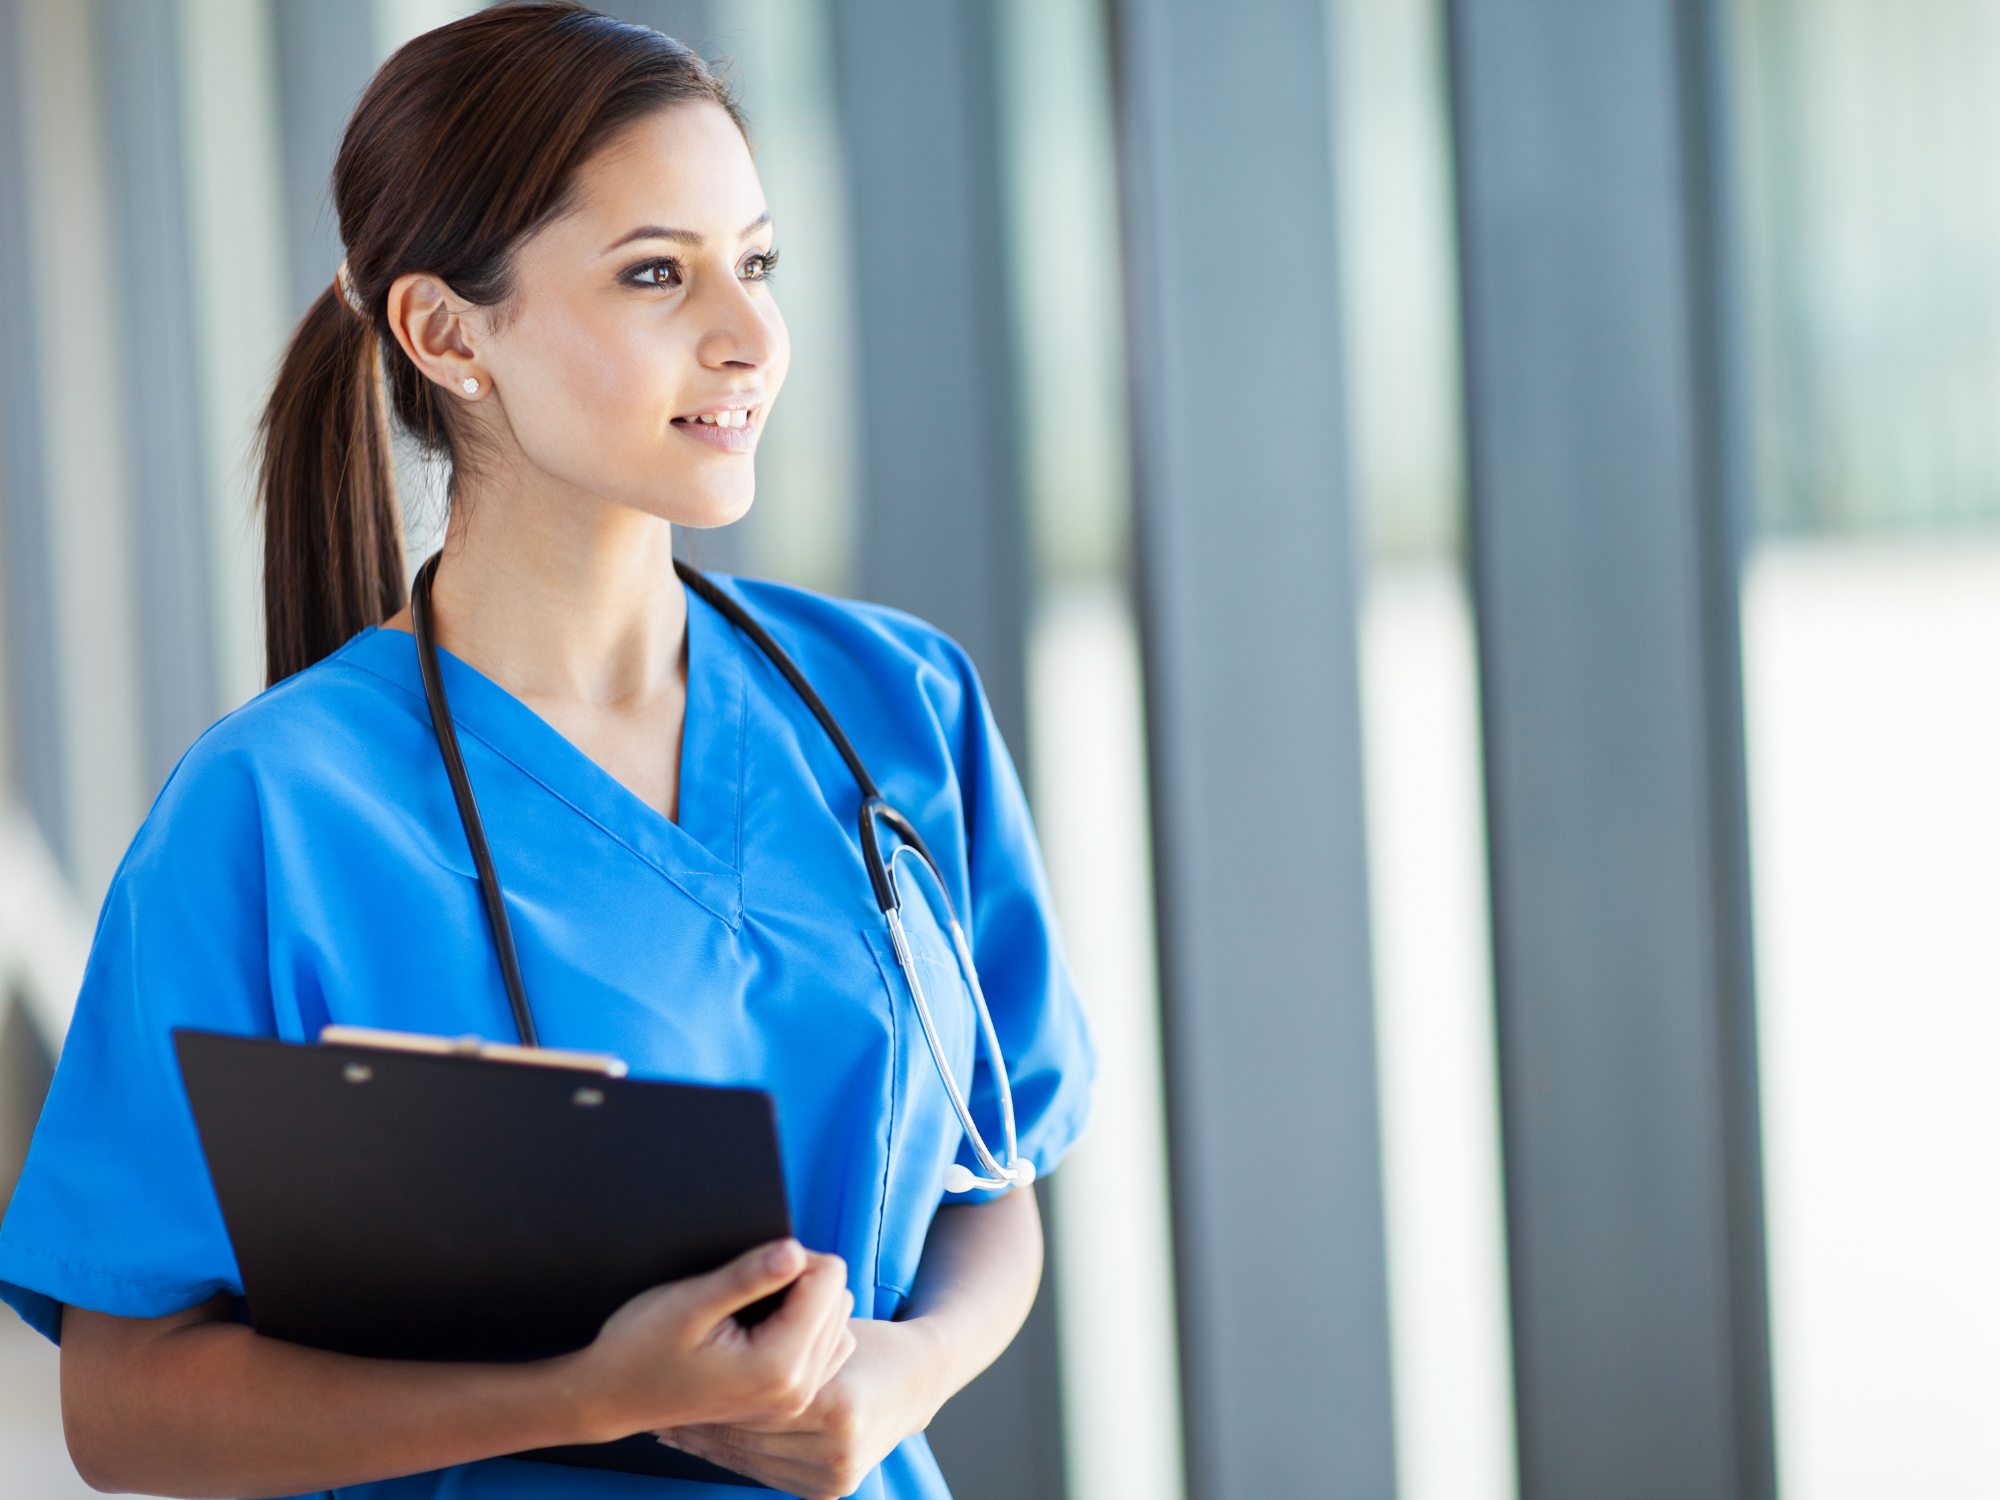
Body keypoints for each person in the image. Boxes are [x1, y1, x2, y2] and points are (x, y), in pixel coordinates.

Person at [0, 6, 1093, 1498]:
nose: (749, 336)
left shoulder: (898, 704)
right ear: (448, 334)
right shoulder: (275, 815)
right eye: (658, 273)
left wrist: (904, 1372)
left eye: (755, 263)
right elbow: (123, 1409)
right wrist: (578, 1397)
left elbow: (995, 1176)